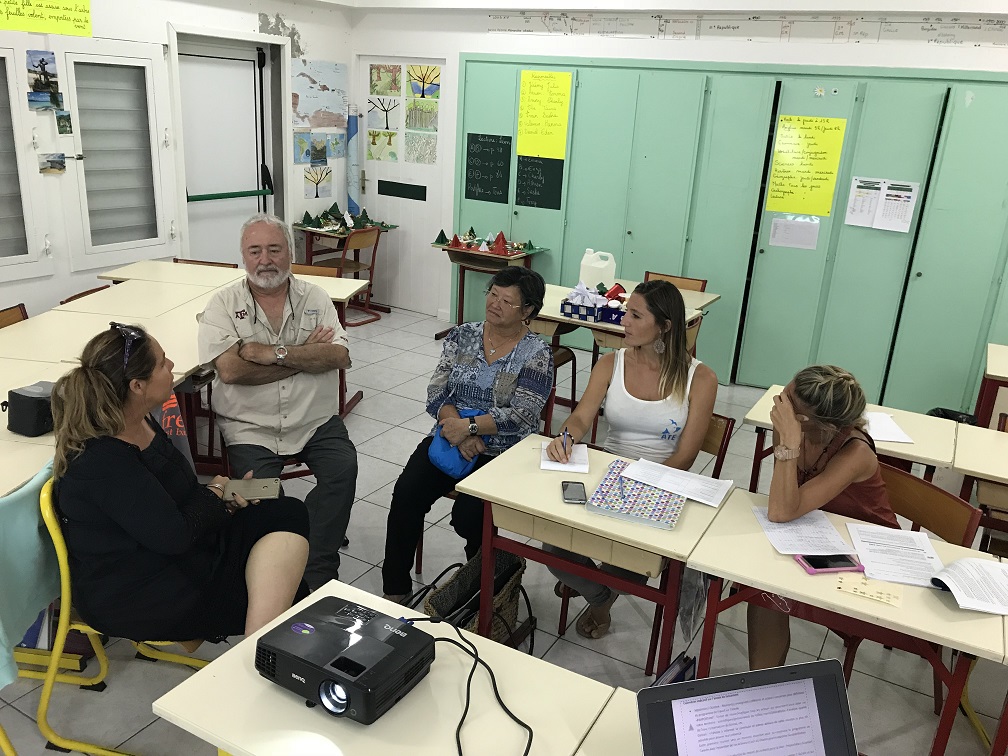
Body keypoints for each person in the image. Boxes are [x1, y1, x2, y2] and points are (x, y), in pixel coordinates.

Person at [52, 324, 309, 642]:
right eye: (162, 363)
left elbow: (171, 500)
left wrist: (222, 500)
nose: (172, 365)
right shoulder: (103, 461)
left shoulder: (140, 420)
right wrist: (215, 493)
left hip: (168, 551)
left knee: (285, 512)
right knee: (287, 585)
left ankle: (261, 641)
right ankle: (255, 649)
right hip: (139, 593)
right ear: (137, 386)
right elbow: (174, 536)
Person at [544, 280, 717, 639]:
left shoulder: (700, 378)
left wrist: (640, 482)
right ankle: (600, 595)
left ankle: (597, 598)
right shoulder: (612, 363)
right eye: (626, 312)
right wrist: (566, 436)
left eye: (636, 316)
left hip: (661, 480)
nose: (624, 321)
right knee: (553, 544)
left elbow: (686, 455)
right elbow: (581, 417)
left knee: (637, 560)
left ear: (665, 326)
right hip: (609, 471)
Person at [198, 213, 357, 590]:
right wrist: (305, 356)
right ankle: (279, 566)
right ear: (243, 255)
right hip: (249, 427)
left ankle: (316, 571)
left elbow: (339, 356)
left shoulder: (316, 297)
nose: (265, 260)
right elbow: (231, 371)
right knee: (265, 496)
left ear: (290, 252)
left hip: (315, 420)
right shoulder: (223, 304)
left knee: (342, 470)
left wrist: (270, 353)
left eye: (274, 249)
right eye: (255, 251)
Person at [382, 267, 554, 601]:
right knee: (406, 495)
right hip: (450, 438)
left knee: (470, 517)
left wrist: (471, 427)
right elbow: (437, 392)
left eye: (506, 301)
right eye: (493, 294)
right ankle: (395, 589)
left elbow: (523, 414)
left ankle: (484, 589)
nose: (494, 304)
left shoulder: (536, 353)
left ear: (528, 310)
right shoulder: (463, 335)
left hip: (503, 451)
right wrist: (460, 431)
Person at [747, 365, 897, 670]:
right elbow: (785, 502)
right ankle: (762, 686)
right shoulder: (792, 428)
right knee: (760, 587)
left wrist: (789, 444)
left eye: (787, 402)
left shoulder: (855, 452)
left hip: (869, 557)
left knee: (770, 591)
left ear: (808, 421)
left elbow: (780, 510)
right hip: (821, 533)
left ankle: (764, 685)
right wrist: (788, 441)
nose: (778, 403)